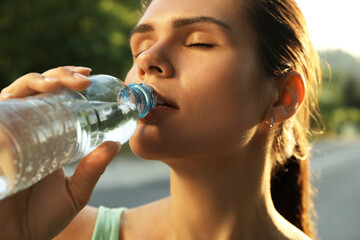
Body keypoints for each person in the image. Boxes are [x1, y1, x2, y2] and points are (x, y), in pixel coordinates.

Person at [0, 0, 322, 239]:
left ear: (282, 97)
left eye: (199, 42)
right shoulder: (59, 233)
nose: (147, 59)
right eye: (141, 45)